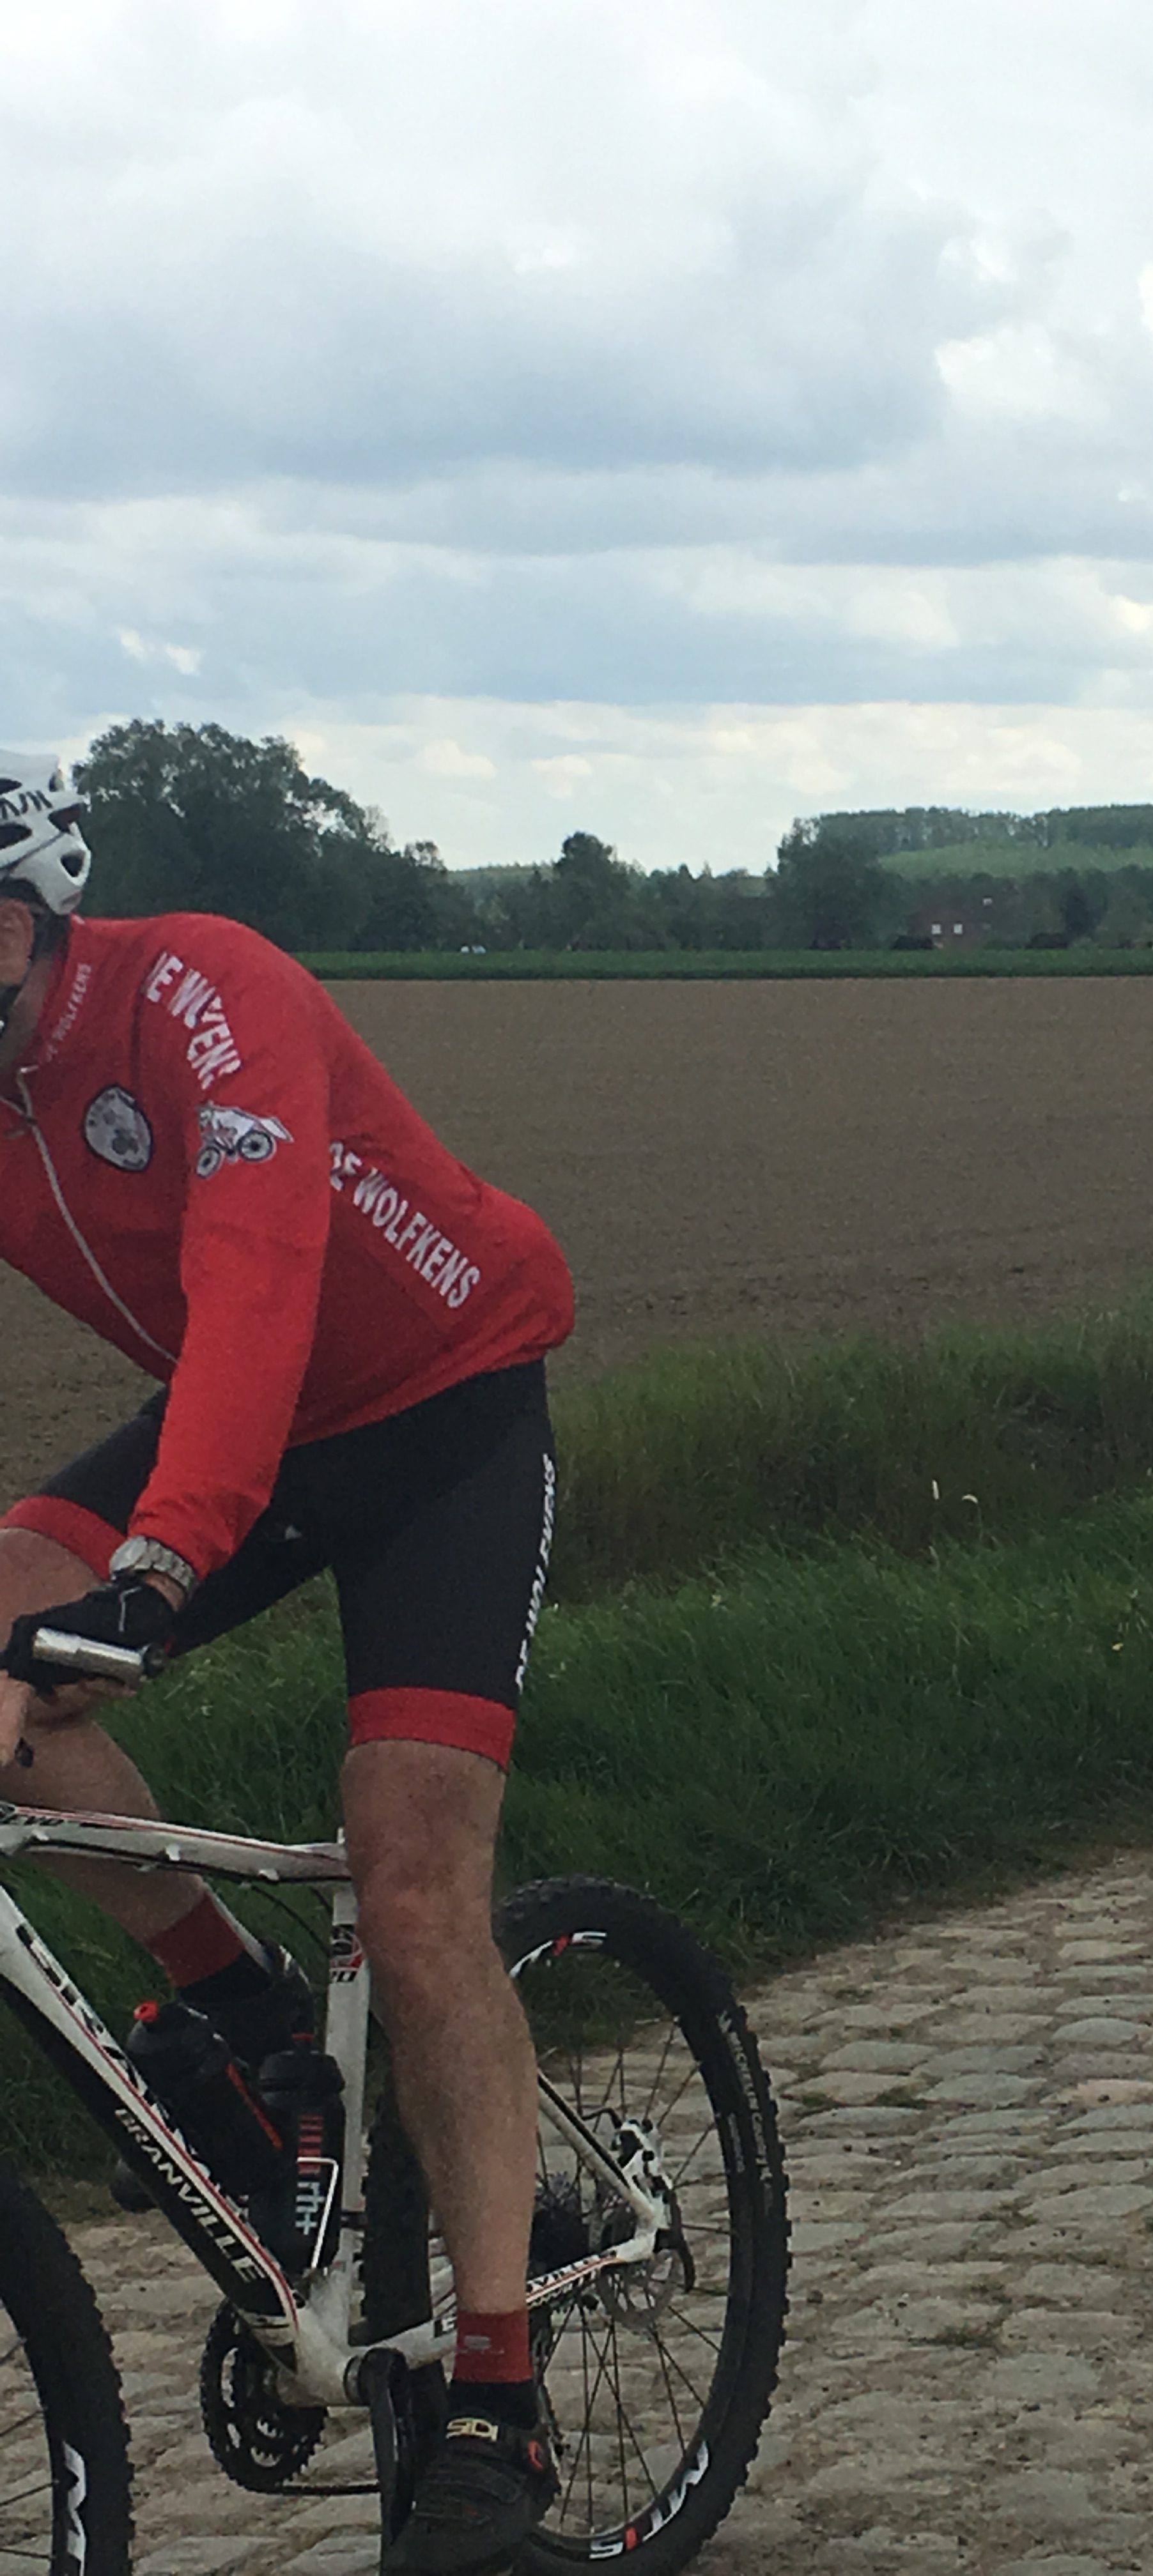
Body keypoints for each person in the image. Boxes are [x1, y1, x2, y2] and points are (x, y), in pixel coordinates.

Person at [0, 754, 572, 2573]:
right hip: (249, 1425)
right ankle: (250, 2029)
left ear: (33, 914)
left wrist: (162, 1568)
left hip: (437, 1418)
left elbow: (258, 1286)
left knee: (410, 1883)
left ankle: (498, 2397)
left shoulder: (203, 992)